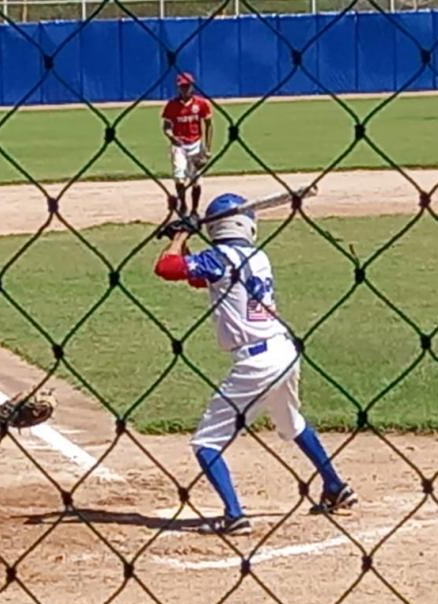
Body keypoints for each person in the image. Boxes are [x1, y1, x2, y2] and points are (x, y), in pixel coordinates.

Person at [151, 193, 358, 535]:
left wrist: (180, 236)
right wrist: (182, 240)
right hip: (283, 352)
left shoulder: (219, 258)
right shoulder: (256, 257)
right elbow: (195, 276)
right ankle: (335, 486)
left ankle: (234, 515)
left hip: (255, 364)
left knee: (206, 443)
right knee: (292, 423)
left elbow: (166, 268)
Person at [161, 72, 213, 217]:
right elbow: (166, 126)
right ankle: (183, 204)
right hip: (179, 146)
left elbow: (209, 125)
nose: (184, 89)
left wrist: (208, 149)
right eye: (182, 86)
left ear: (192, 86)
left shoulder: (201, 103)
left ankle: (195, 210)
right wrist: (171, 136)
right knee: (179, 177)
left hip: (196, 144)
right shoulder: (172, 105)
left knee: (196, 180)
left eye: (187, 86)